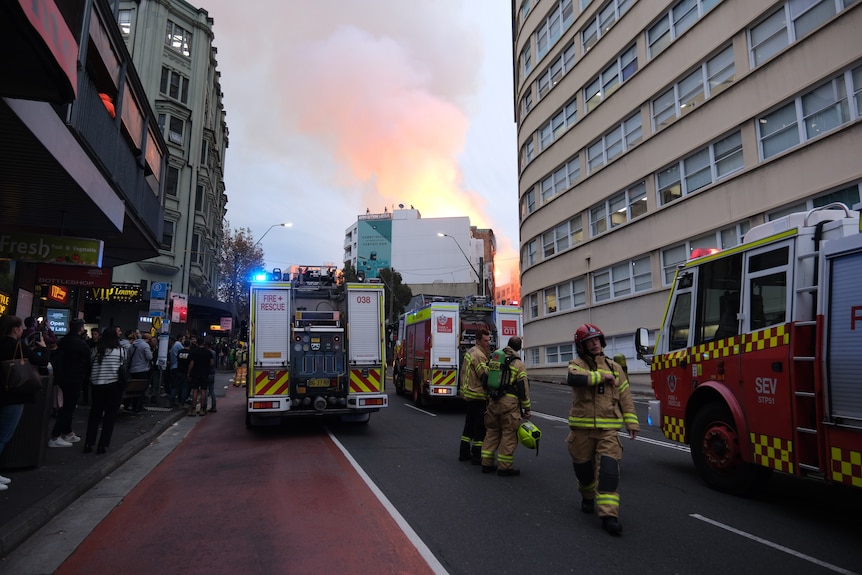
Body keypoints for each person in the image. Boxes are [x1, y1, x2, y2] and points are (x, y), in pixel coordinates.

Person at [565, 324, 639, 536]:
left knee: (608, 471)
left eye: (597, 339)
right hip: (581, 430)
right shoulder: (576, 364)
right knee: (584, 472)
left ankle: (609, 515)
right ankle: (587, 497)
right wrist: (600, 377)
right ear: (582, 346)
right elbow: (574, 378)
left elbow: (625, 396)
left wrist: (631, 423)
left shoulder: (615, 367)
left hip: (608, 429)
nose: (595, 343)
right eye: (590, 341)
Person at [0, 315, 49, 491]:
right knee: (4, 435)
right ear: (15, 330)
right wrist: (44, 349)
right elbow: (42, 361)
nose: (21, 331)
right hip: (14, 394)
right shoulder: (17, 346)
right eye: (20, 328)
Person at [480, 337, 531, 477]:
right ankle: (504, 467)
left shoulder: (495, 359)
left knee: (492, 432)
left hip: (493, 401)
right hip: (509, 404)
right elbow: (523, 387)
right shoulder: (518, 364)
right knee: (509, 435)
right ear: (519, 348)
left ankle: (486, 463)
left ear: (508, 345)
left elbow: (484, 381)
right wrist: (526, 408)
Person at [48, 318, 90, 447]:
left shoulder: (64, 341)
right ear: (81, 328)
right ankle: (55, 436)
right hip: (75, 377)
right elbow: (87, 361)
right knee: (68, 407)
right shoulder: (81, 344)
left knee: (67, 404)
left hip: (62, 377)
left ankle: (68, 432)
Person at [84, 328, 126, 454]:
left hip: (97, 385)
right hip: (113, 386)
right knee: (109, 416)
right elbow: (123, 367)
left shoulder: (96, 350)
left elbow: (90, 365)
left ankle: (89, 443)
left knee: (94, 415)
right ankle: (102, 445)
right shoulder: (120, 351)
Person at [458, 328, 491, 465]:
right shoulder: (479, 355)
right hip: (478, 395)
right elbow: (484, 376)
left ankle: (463, 453)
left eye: (489, 340)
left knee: (469, 426)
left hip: (469, 393)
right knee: (480, 427)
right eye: (485, 341)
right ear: (478, 341)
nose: (488, 343)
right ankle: (477, 455)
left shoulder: (471, 351)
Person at [124, 330, 153, 413]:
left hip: (132, 370)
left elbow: (128, 357)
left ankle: (129, 405)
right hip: (142, 370)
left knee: (132, 389)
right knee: (141, 390)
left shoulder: (132, 346)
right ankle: (137, 407)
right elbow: (149, 357)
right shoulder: (145, 346)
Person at [186, 338, 212, 417]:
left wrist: (188, 373)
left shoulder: (194, 352)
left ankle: (193, 409)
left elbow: (191, 364)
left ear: (197, 343)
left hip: (195, 374)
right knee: (203, 391)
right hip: (205, 374)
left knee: (195, 391)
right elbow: (212, 363)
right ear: (204, 344)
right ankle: (202, 409)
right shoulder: (208, 352)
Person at [205, 340, 217, 413]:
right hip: (212, 372)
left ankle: (205, 406)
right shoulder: (214, 352)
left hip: (206, 373)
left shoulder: (207, 353)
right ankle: (214, 406)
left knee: (205, 390)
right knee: (212, 390)